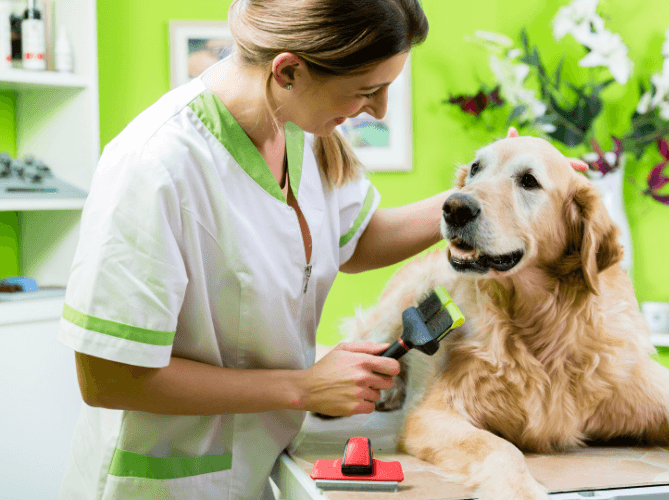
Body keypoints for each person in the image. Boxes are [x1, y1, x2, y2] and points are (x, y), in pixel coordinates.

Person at [57, 1, 439, 499]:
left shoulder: (302, 132)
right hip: (164, 480)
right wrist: (302, 387)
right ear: (289, 71)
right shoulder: (154, 166)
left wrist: (479, 200)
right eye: (368, 91)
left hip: (261, 468)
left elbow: (358, 239)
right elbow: (108, 379)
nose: (381, 109)